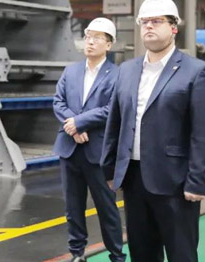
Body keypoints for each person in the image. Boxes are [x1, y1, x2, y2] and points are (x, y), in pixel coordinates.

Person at [101, 0, 205, 262]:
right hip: (134, 179)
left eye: (156, 21)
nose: (149, 26)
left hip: (176, 182)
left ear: (173, 27)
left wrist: (196, 181)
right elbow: (115, 122)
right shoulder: (127, 70)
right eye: (144, 22)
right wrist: (109, 169)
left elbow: (203, 133)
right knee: (142, 253)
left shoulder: (196, 71)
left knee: (181, 254)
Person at [53, 17, 125, 262]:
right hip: (70, 149)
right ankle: (77, 253)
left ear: (109, 45)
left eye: (97, 38)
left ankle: (116, 255)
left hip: (99, 152)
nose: (90, 42)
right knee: (73, 208)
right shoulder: (71, 71)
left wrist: (80, 122)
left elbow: (111, 108)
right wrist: (73, 126)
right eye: (88, 36)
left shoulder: (117, 75)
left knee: (106, 207)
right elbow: (58, 102)